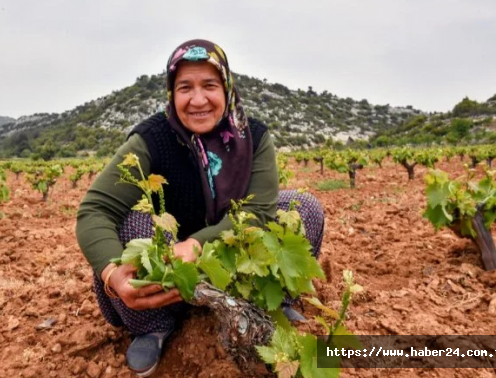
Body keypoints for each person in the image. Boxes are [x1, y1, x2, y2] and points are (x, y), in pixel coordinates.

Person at [76, 39, 324, 377]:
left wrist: (196, 243)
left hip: (235, 263)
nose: (197, 99)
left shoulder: (254, 137)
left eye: (209, 85)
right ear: (171, 93)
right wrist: (110, 274)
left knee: (302, 206)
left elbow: (259, 212)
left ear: (226, 87)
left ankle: (272, 300)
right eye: (184, 88)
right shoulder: (152, 139)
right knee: (131, 222)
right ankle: (153, 324)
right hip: (172, 275)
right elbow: (95, 210)